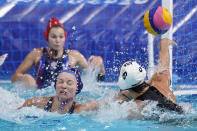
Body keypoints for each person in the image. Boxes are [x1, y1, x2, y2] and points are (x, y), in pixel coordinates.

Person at [11, 17, 105, 89]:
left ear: (65, 38)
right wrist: (24, 77)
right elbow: (14, 77)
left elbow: (98, 78)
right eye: (53, 37)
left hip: (64, 99)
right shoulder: (36, 54)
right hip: (40, 97)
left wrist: (100, 65)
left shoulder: (74, 56)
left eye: (61, 37)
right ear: (47, 37)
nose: (57, 40)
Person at [116, 38, 183, 113]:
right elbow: (164, 63)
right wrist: (164, 43)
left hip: (169, 123)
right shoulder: (159, 80)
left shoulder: (138, 107)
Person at [18, 68, 98, 114]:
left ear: (77, 89)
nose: (64, 86)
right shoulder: (36, 103)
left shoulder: (79, 109)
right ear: (55, 85)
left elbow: (105, 105)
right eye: (60, 82)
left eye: (69, 83)